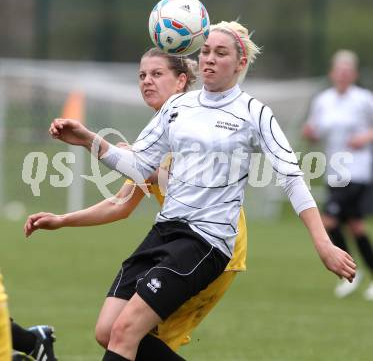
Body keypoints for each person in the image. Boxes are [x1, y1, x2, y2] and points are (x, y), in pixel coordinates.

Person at [47, 21, 356, 361]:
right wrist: (90, 140)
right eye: (205, 51)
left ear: (240, 63)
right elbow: (139, 168)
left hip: (205, 241)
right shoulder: (178, 107)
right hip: (164, 232)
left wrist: (323, 243)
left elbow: (293, 178)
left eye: (220, 53)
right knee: (107, 330)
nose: (209, 59)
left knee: (125, 332)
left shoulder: (254, 113)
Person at [24, 47, 248, 360]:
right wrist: (62, 220)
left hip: (214, 246)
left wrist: (142, 166)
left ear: (182, 80)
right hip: (175, 241)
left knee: (129, 332)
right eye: (142, 75)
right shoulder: (159, 132)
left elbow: (187, 179)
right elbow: (121, 204)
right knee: (109, 331)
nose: (146, 81)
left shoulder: (203, 124)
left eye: (157, 74)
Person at [303, 49, 373, 300]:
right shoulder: (323, 100)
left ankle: (348, 271)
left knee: (329, 221)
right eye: (339, 71)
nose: (342, 76)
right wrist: (310, 133)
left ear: (353, 75)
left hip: (358, 171)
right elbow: (315, 130)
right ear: (333, 73)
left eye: (347, 72)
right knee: (355, 226)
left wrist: (365, 137)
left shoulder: (364, 99)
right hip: (335, 171)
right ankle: (358, 273)